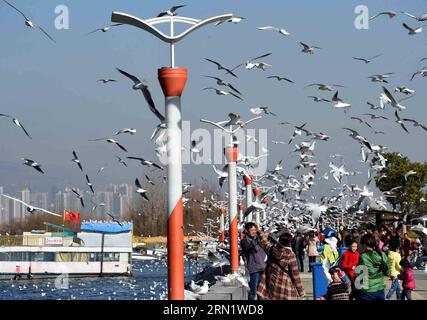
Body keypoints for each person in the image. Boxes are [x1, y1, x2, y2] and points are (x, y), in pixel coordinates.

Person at [256, 230, 306, 300]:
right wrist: (301, 293)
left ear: (279, 240)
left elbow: (265, 243)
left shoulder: (272, 249)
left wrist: (260, 232)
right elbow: (295, 275)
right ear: (289, 243)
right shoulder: (290, 255)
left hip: (272, 285)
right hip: (285, 287)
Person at [354, 234, 390, 300]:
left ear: (364, 245)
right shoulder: (382, 254)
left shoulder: (363, 257)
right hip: (380, 289)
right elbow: (388, 272)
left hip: (367, 291)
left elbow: (358, 275)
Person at [240, 222, 267, 300]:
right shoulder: (244, 241)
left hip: (262, 267)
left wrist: (260, 234)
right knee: (253, 291)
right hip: (253, 268)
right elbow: (247, 249)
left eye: (255, 230)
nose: (254, 232)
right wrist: (255, 242)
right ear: (247, 231)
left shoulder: (259, 239)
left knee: (261, 291)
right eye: (252, 230)